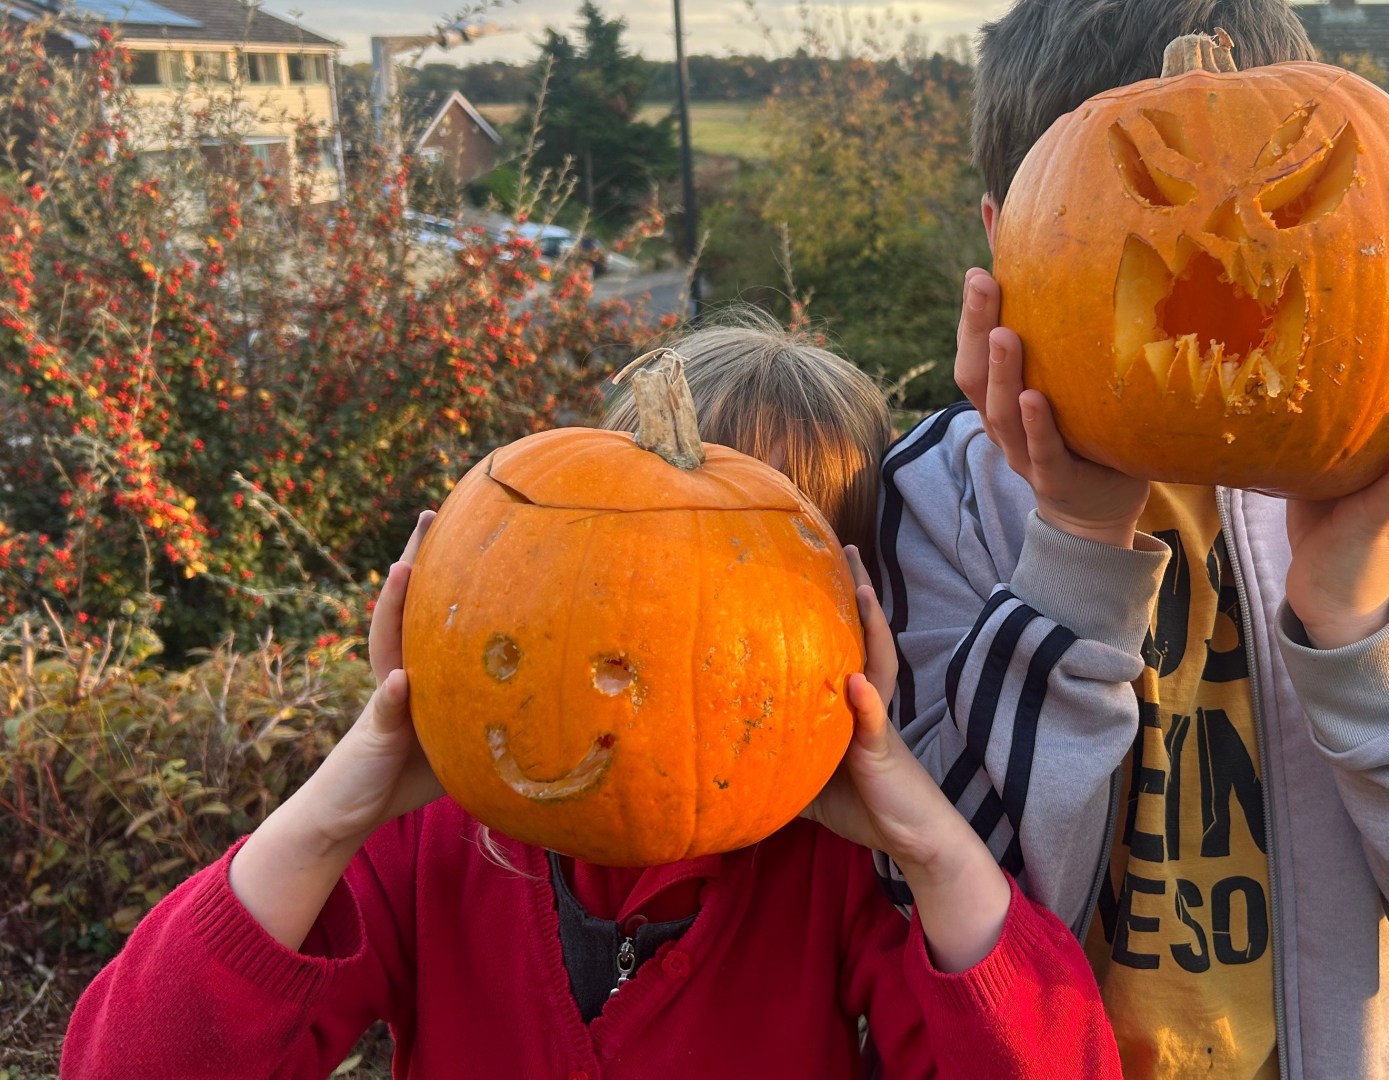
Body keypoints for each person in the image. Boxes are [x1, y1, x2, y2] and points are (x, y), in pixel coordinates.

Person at [62, 317, 1124, 1079]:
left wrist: (932, 845)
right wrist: (343, 800)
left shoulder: (843, 872)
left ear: (850, 614)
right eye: (642, 569)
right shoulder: (432, 839)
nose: (676, 639)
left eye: (753, 596)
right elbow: (129, 1063)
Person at [877, 2, 1389, 1076]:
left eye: (1295, 203)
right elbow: (946, 911)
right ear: (1004, 238)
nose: (1232, 248)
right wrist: (1072, 547)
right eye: (1137, 204)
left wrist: (1359, 621)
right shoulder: (934, 502)